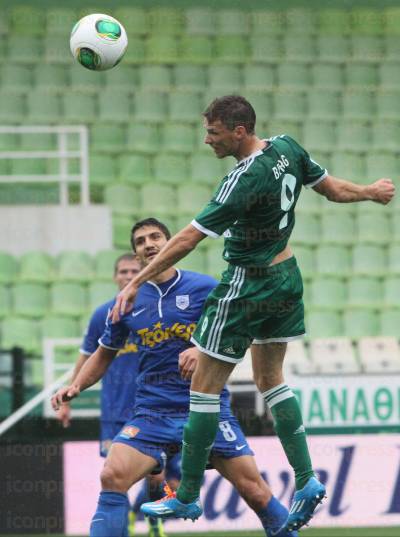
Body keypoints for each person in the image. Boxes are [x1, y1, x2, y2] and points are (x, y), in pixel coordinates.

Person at [107, 96, 395, 532]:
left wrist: (132, 281)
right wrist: (371, 193)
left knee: (203, 390)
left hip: (247, 284)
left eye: (214, 133)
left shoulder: (240, 180)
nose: (208, 140)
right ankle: (306, 478)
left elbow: (186, 239)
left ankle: (185, 496)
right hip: (286, 277)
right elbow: (333, 189)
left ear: (239, 131)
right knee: (271, 379)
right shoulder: (288, 148)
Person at [52, 217, 300, 537]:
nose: (149, 244)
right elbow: (103, 353)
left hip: (205, 406)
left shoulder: (204, 288)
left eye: (155, 237)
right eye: (140, 241)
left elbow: (242, 331)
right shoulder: (126, 302)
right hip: (152, 411)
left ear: (170, 243)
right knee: (112, 477)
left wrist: (202, 348)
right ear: (136, 254)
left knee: (255, 491)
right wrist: (76, 385)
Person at [56, 253, 168, 537]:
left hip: (151, 409)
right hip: (115, 410)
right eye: (123, 271)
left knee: (159, 476)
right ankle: (126, 524)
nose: (128, 276)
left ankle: (153, 524)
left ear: (142, 274)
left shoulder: (155, 311)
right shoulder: (103, 315)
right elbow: (86, 358)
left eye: (134, 270)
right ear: (115, 276)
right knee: (117, 477)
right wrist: (71, 395)